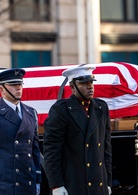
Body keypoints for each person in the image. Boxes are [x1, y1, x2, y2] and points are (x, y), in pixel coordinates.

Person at [43, 65, 112, 195]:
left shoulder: (101, 107)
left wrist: (107, 181)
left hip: (98, 183)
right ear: (72, 87)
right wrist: (56, 185)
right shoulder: (61, 110)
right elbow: (52, 151)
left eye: (91, 82)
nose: (90, 86)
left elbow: (106, 149)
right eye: (84, 83)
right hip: (75, 183)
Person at [0, 68, 41, 195]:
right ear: (1, 89)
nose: (18, 88)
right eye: (13, 85)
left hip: (28, 181)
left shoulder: (31, 113)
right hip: (4, 184)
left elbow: (34, 149)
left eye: (20, 84)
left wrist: (37, 179)